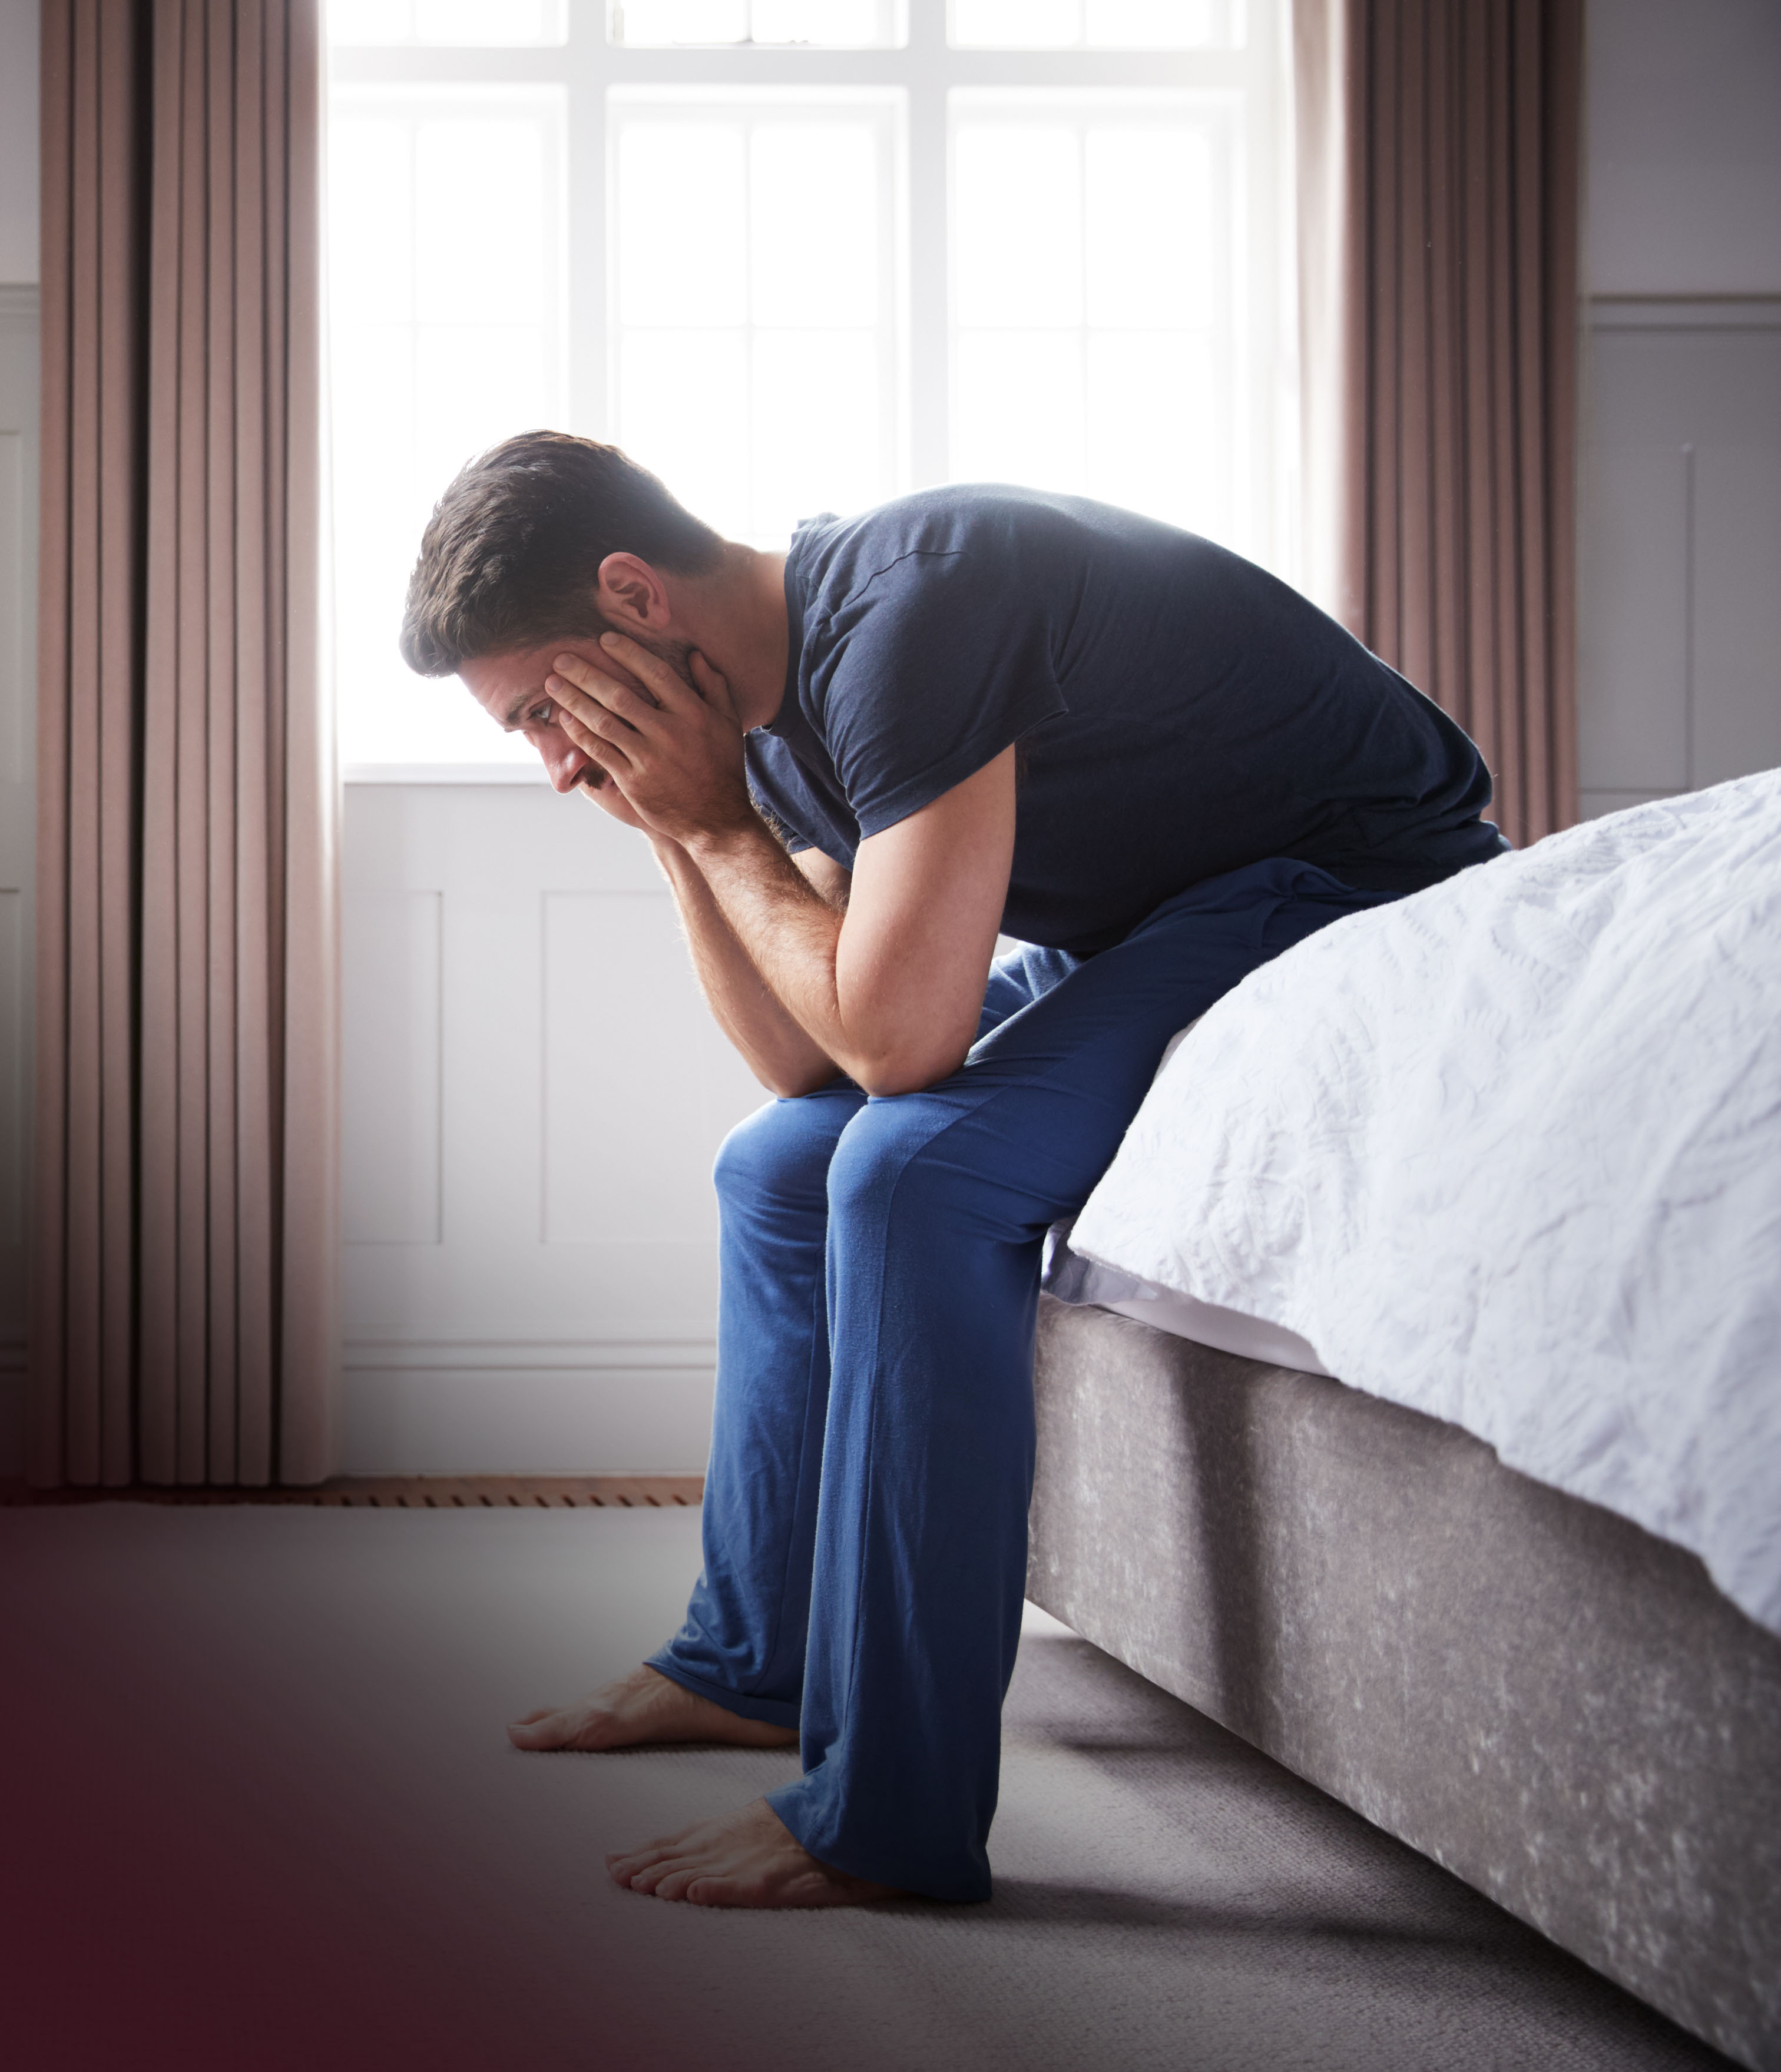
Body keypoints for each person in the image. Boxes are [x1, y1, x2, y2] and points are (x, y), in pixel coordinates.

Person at [399, 430, 1506, 1911]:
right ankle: (756, 1662)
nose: (551, 763)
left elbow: (903, 1047)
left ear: (631, 594)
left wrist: (719, 824)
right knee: (780, 1168)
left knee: (912, 1177)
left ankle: (889, 1815)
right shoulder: (769, 721)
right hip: (1157, 911)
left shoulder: (912, 610)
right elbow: (809, 1068)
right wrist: (682, 831)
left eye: (550, 708)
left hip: (1349, 869)